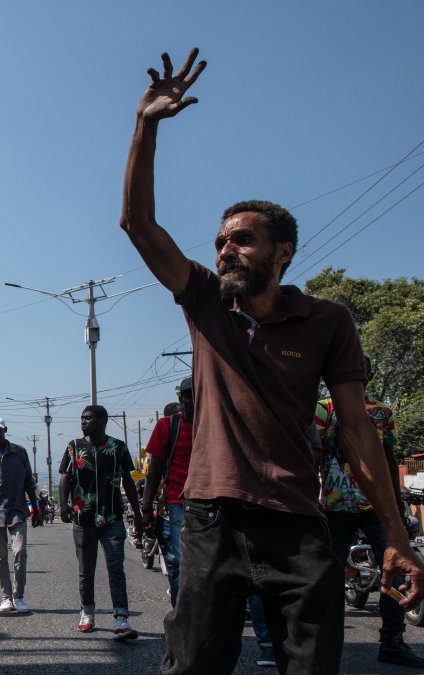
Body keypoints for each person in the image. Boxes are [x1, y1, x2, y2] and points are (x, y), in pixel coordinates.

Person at [119, 48, 424, 673]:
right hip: (212, 522)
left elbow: (358, 431)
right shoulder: (206, 302)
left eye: (242, 239)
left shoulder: (327, 320)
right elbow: (138, 223)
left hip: (298, 524)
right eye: (221, 241)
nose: (225, 250)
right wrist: (146, 124)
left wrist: (397, 534)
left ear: (281, 251)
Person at [318, 359, 424, 668]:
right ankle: (324, 643)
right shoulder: (323, 410)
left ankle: (393, 640)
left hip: (375, 507)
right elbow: (312, 453)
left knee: (394, 571)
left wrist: (397, 501)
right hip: (335, 507)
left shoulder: (381, 412)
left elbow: (389, 457)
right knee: (327, 577)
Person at [59, 405, 141, 640]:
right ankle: (87, 612)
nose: (83, 421)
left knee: (116, 569)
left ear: (103, 420)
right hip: (82, 519)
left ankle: (121, 618)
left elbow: (128, 481)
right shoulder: (74, 446)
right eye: (82, 418)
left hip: (112, 517)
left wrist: (137, 512)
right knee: (86, 570)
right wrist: (64, 505)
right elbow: (66, 477)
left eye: (88, 418)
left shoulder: (118, 447)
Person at [0, 416, 40, 613]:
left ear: (5, 430)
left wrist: (36, 510)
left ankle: (19, 596)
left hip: (17, 510)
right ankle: (6, 597)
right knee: (0, 555)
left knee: (19, 551)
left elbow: (29, 482)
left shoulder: (19, 453)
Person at [139, 377, 194, 607]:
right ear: (181, 398)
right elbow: (154, 471)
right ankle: (182, 615)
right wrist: (145, 508)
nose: (195, 399)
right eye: (189, 394)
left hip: (211, 503)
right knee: (179, 563)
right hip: (176, 503)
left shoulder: (215, 425)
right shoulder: (167, 426)